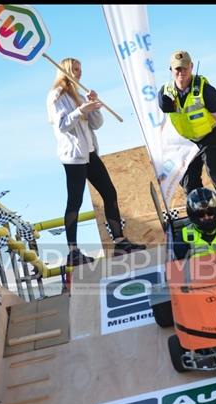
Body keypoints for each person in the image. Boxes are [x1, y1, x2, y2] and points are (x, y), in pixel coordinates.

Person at [46, 57, 145, 267]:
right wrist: (81, 110)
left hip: (90, 152)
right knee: (75, 200)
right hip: (73, 156)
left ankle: (119, 241)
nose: (78, 73)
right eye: (74, 69)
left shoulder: (78, 95)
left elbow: (97, 124)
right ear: (64, 70)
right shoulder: (56, 96)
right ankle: (72, 251)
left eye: (80, 69)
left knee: (110, 192)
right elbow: (62, 125)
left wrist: (95, 106)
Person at [159, 50, 216, 207]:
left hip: (210, 137)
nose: (181, 72)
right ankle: (202, 215)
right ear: (171, 70)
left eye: (184, 68)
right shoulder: (164, 93)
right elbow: (160, 123)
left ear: (191, 66)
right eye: (177, 68)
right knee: (189, 183)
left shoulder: (206, 91)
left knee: (214, 171)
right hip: (186, 142)